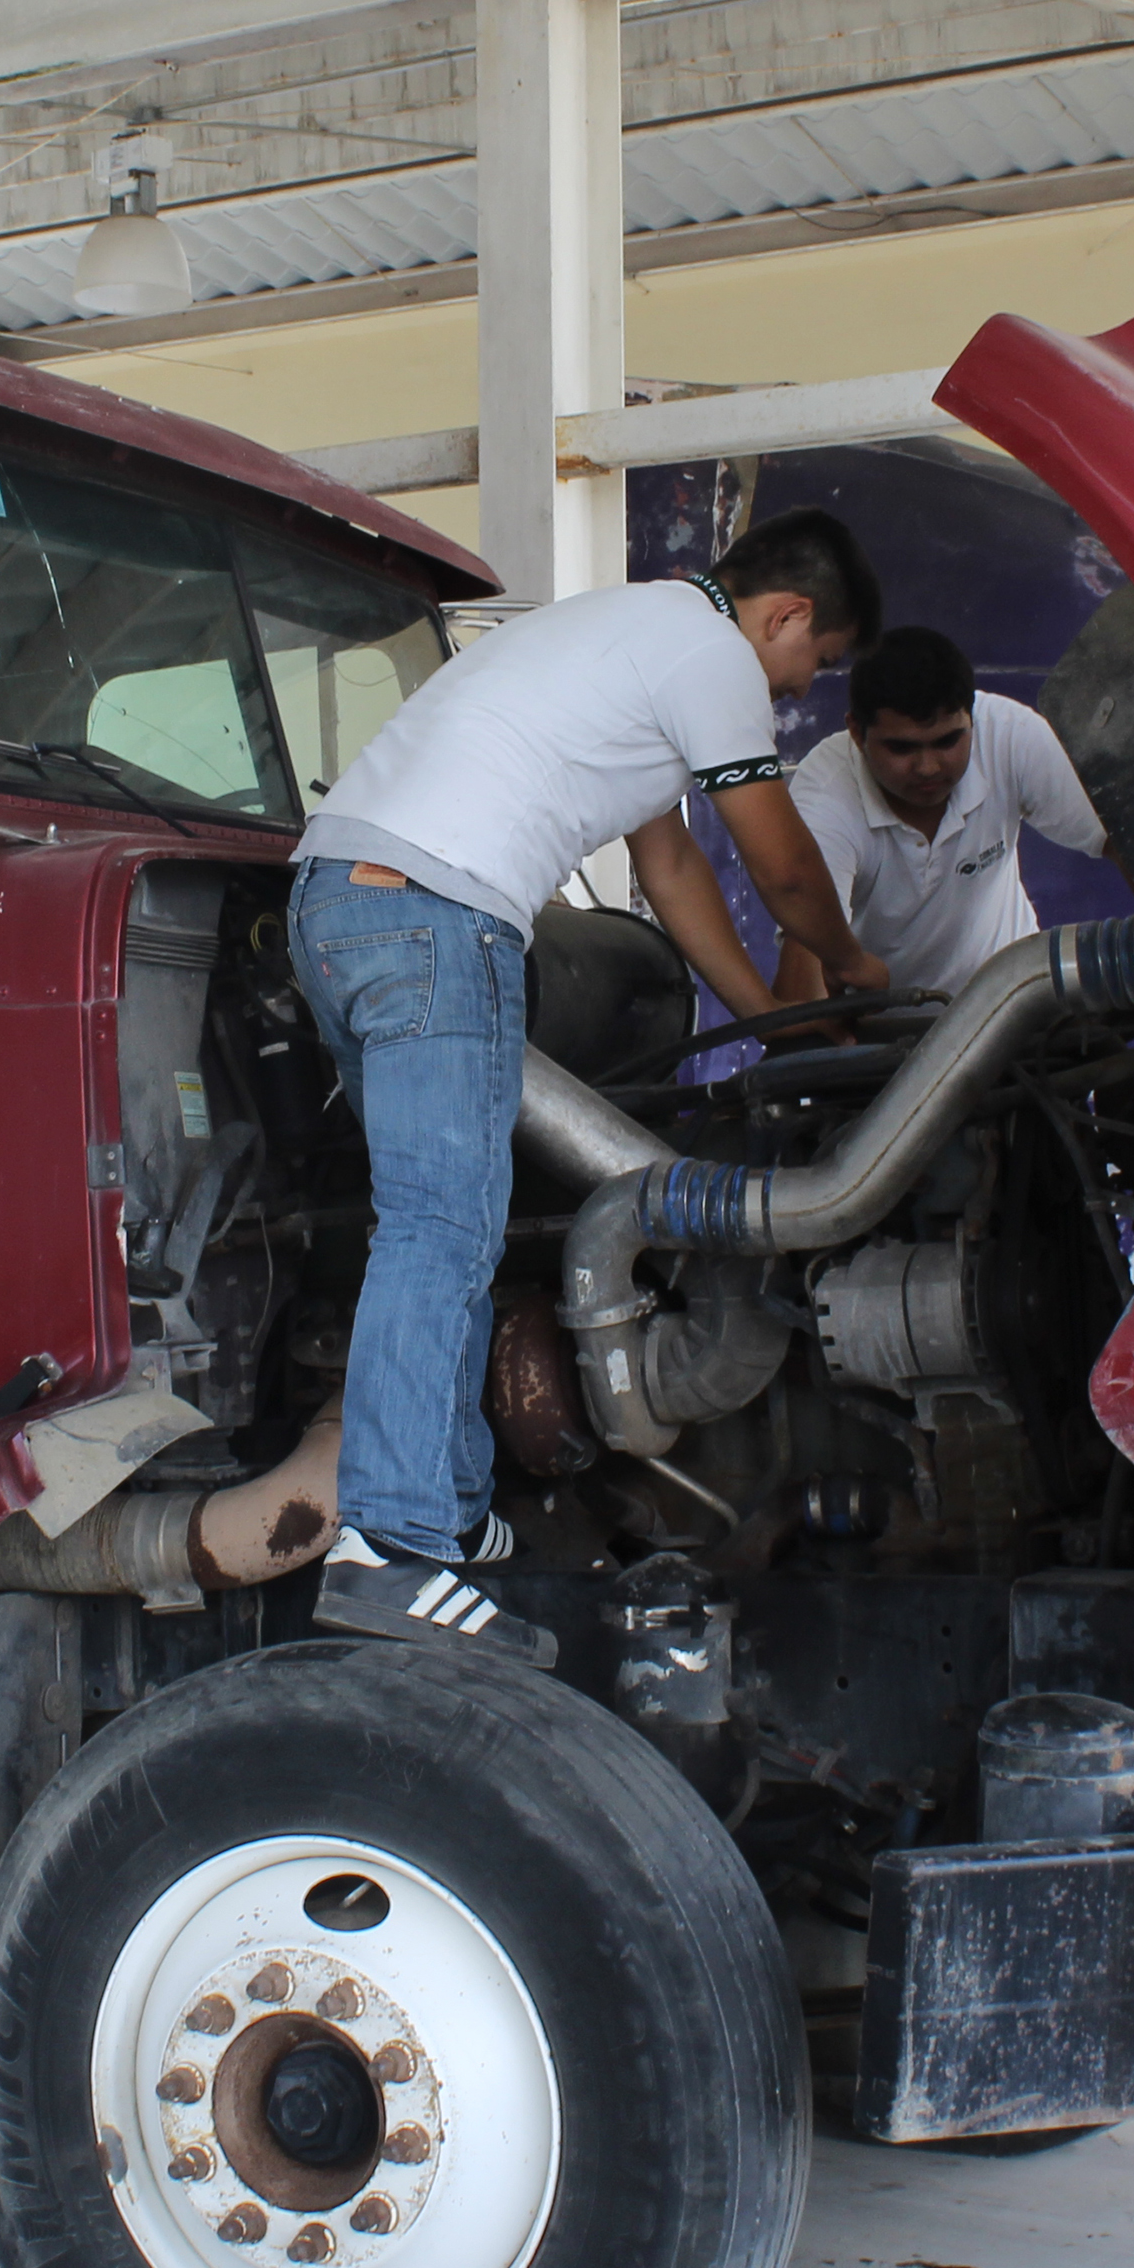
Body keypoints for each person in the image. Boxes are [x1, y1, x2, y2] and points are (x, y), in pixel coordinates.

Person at [287, 511, 892, 1661]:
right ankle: (393, 1550)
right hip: (437, 912)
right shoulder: (711, 654)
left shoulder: (634, 638)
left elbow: (668, 870)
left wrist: (773, 1024)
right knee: (439, 1226)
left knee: (449, 1222)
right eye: (816, 664)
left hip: (342, 903)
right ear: (789, 616)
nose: (803, 686)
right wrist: (858, 970)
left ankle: (449, 1517)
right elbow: (779, 862)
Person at [773, 628, 1111, 1011]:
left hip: (1016, 1014)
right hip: (889, 1040)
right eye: (902, 748)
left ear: (973, 721)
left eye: (948, 741)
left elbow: (1126, 842)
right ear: (856, 732)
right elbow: (803, 977)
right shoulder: (826, 795)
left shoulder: (1008, 735)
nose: (928, 767)